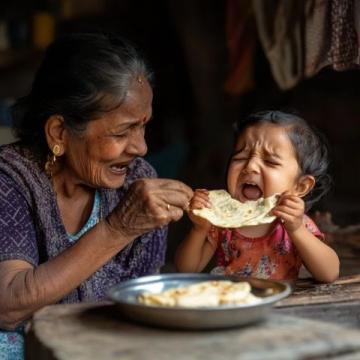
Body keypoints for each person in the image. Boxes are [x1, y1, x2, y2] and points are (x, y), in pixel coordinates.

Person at [0, 33, 193, 358]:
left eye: (143, 126)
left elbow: (143, 305)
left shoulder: (140, 182)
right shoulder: (10, 179)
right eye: (121, 132)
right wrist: (118, 229)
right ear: (59, 132)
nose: (141, 147)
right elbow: (8, 306)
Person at [175, 110, 339, 282]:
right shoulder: (221, 222)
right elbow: (186, 268)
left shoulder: (295, 223)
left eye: (270, 162)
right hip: (231, 300)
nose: (250, 166)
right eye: (241, 157)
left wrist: (297, 230)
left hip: (280, 305)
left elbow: (329, 274)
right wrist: (199, 229)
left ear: (300, 186)